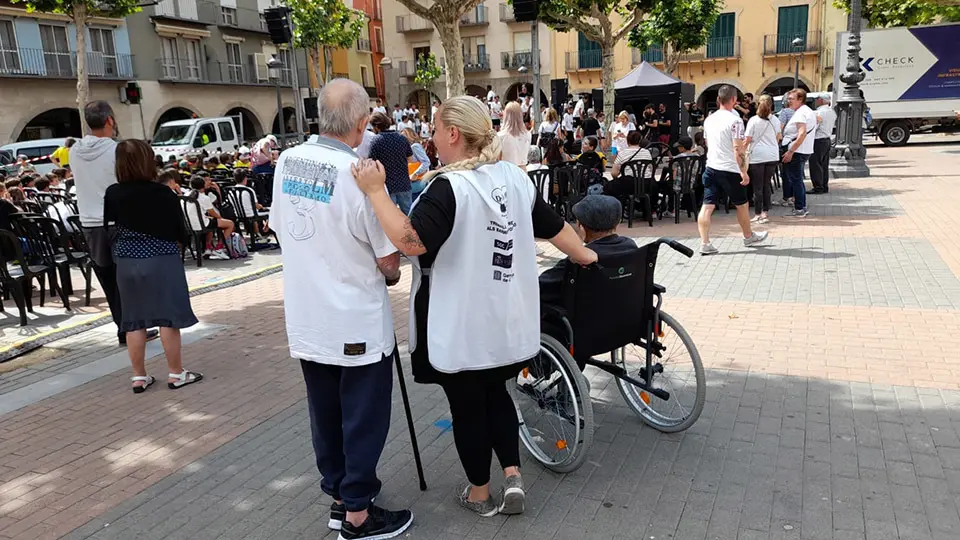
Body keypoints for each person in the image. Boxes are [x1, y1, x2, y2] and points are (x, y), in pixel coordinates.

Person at [351, 94, 597, 519]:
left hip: (459, 320)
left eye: (433, 131)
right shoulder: (514, 178)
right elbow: (556, 228)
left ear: (453, 134)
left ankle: (480, 493)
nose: (430, 139)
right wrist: (588, 256)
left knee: (467, 405)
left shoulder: (449, 186)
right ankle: (513, 475)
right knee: (496, 392)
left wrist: (375, 193)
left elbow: (411, 241)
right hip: (506, 318)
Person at [270, 79, 412, 540]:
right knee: (364, 416)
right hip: (355, 319)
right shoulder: (360, 176)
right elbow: (389, 258)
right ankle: (357, 514)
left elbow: (281, 227)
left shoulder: (287, 160)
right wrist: (391, 274)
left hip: (309, 317)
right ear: (360, 122)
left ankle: (338, 495)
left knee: (325, 411)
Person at [104, 139, 200, 393]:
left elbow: (109, 229)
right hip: (161, 259)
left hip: (126, 261)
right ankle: (176, 373)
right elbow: (180, 231)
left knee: (133, 320)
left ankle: (139, 376)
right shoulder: (163, 193)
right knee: (168, 318)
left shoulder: (112, 193)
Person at [72, 101, 158, 346]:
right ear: (110, 120)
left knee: (108, 277)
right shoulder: (118, 150)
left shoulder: (74, 151)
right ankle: (135, 328)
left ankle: (123, 328)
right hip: (117, 220)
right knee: (128, 277)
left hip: (90, 223)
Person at [698, 85, 770, 255]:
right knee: (742, 205)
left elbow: (707, 143)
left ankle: (704, 242)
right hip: (729, 169)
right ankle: (748, 235)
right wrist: (743, 172)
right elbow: (738, 149)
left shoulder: (709, 120)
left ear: (718, 100)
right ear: (733, 100)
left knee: (707, 206)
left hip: (711, 166)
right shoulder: (735, 121)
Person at [538, 194, 636, 313]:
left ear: (581, 227)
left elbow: (541, 287)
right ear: (617, 224)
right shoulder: (631, 247)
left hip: (581, 326)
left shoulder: (578, 260)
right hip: (627, 321)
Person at [744, 94, 782, 224]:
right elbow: (778, 137)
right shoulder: (775, 120)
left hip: (758, 156)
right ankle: (766, 213)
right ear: (771, 105)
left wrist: (741, 151)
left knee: (757, 187)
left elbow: (747, 139)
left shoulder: (753, 120)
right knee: (766, 184)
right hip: (772, 155)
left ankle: (758, 213)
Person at [781, 88, 817, 217]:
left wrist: (790, 151)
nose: (788, 101)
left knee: (796, 180)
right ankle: (801, 206)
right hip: (803, 150)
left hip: (797, 151)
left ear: (800, 99)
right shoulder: (807, 111)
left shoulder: (801, 113)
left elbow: (801, 134)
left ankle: (800, 208)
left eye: (791, 99)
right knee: (797, 179)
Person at [369, 112, 414, 214]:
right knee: (409, 214)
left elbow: (372, 164)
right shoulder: (402, 138)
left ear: (376, 126)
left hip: (387, 186)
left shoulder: (376, 141)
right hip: (404, 183)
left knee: (391, 216)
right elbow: (411, 159)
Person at [185, 176, 233, 260]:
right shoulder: (204, 197)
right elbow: (213, 213)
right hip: (201, 225)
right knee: (230, 224)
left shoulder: (185, 195)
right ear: (203, 185)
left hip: (188, 225)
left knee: (211, 222)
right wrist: (220, 218)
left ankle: (208, 248)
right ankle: (219, 247)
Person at [809, 95, 836, 194]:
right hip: (827, 139)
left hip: (818, 140)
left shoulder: (818, 112)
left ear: (820, 100)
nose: (816, 101)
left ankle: (818, 187)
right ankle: (824, 186)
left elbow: (814, 127)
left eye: (817, 99)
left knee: (815, 164)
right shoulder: (831, 112)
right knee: (824, 165)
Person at [497, 102, 531, 167]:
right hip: (523, 171)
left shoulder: (500, 136)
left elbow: (497, 160)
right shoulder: (528, 134)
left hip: (507, 171)